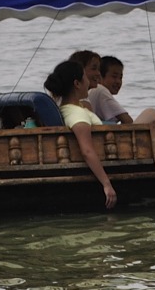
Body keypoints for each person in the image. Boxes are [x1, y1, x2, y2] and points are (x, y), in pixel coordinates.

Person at [68, 49, 155, 153]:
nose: (98, 74)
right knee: (153, 114)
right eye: (94, 69)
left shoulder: (73, 97)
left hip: (102, 142)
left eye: (120, 78)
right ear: (80, 71)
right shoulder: (98, 90)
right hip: (110, 145)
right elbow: (128, 121)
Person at [45, 58, 117, 209]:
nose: (88, 82)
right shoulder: (77, 114)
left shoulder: (69, 109)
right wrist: (107, 184)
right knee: (153, 114)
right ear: (77, 84)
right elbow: (87, 151)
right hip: (108, 157)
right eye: (85, 77)